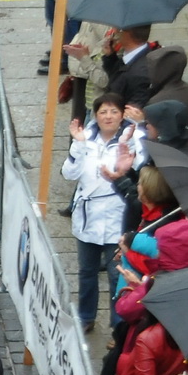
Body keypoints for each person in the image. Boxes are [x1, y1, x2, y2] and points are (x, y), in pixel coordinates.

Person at [60, 94, 141, 331]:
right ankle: (86, 317)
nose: (108, 116)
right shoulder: (86, 139)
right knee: (87, 272)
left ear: (122, 115)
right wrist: (78, 144)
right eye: (103, 112)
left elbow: (140, 166)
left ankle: (118, 326)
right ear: (95, 115)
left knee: (117, 276)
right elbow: (69, 173)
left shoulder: (133, 137)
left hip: (117, 218)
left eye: (114, 111)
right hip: (88, 219)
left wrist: (134, 141)